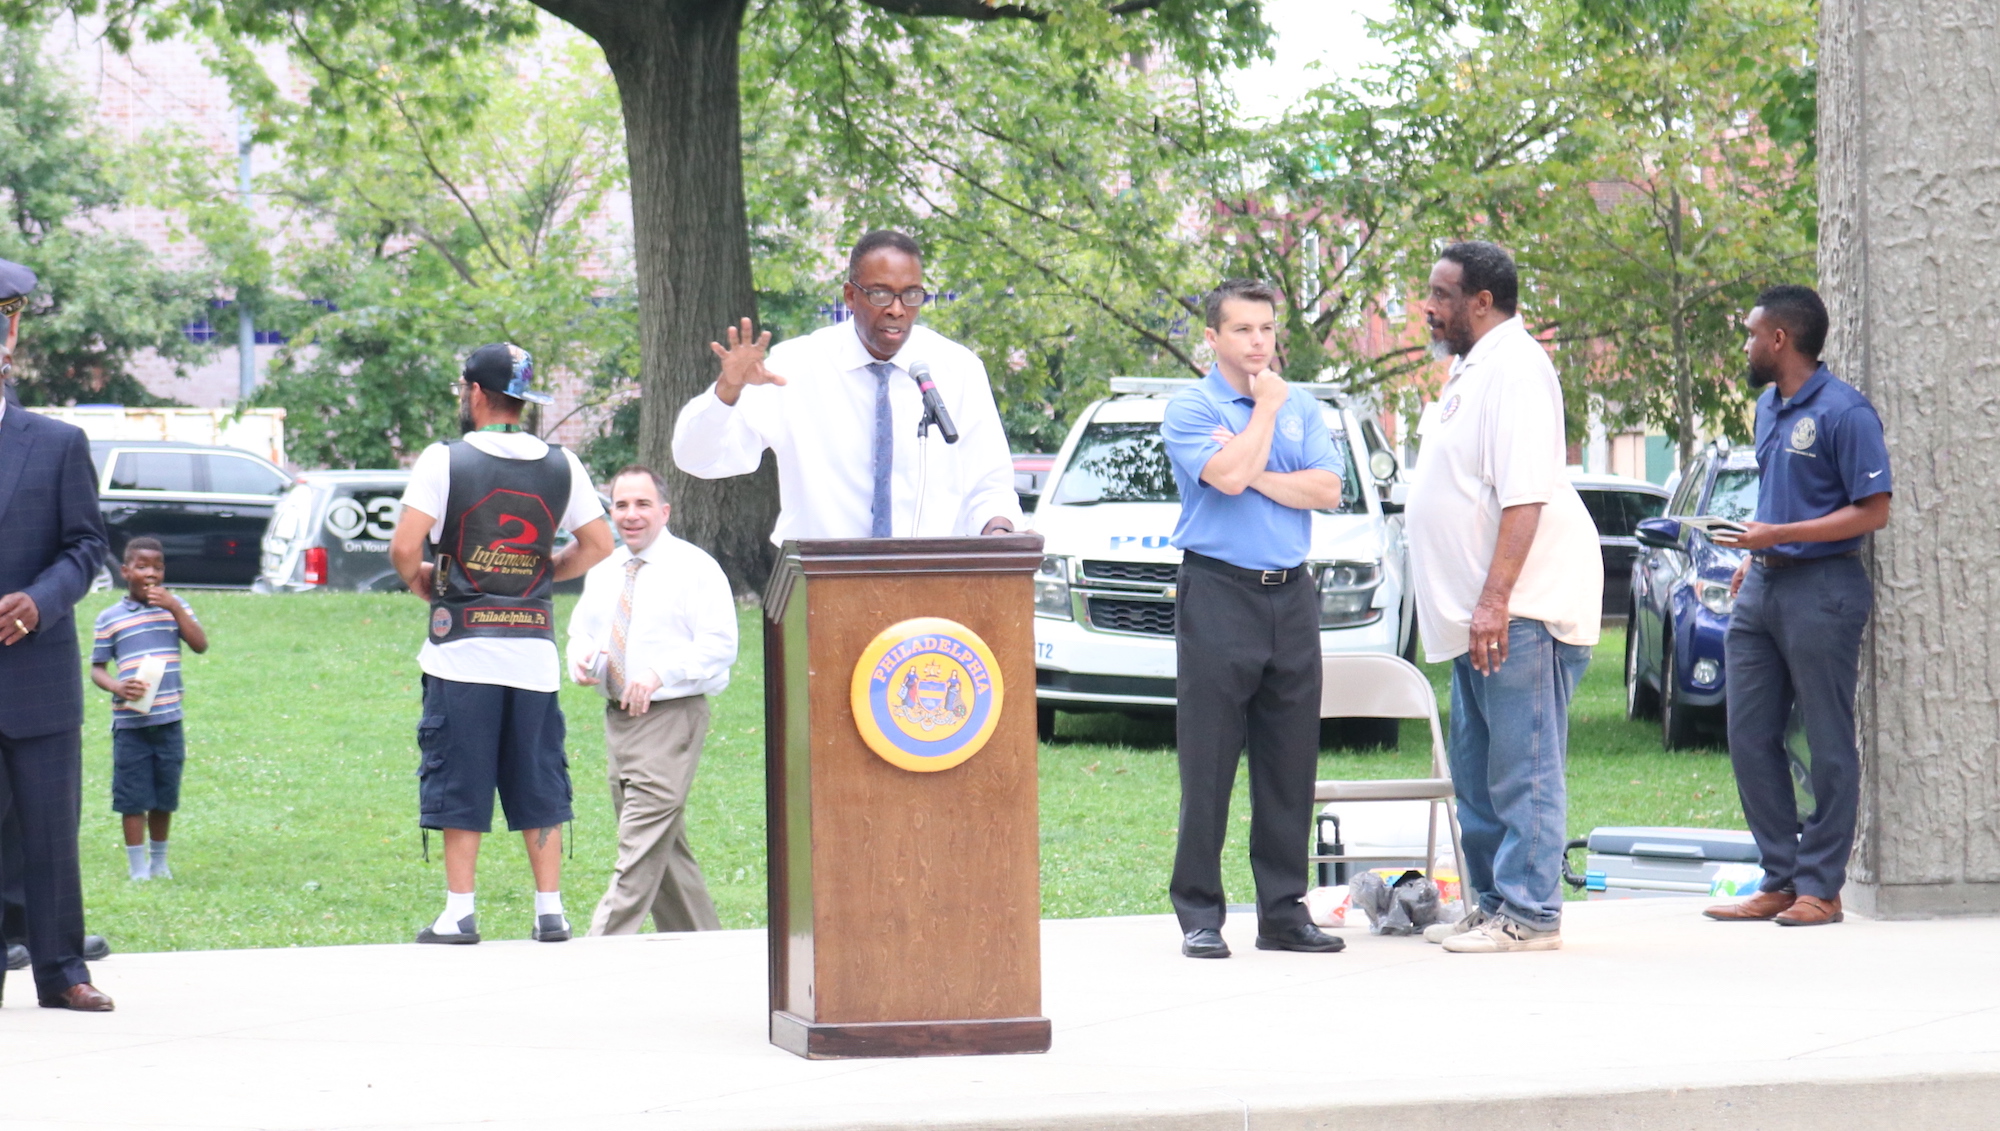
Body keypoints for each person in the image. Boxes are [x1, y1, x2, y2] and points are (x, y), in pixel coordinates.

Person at [1406, 240, 1600, 955]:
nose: (1427, 306)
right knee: (1479, 773)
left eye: (1441, 294)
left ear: (1482, 302)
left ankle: (1532, 913)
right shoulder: (1472, 369)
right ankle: (1493, 903)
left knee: (1524, 767)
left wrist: (1494, 601)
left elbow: (1525, 497)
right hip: (1477, 617)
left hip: (1518, 611)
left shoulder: (1516, 368)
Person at [388, 342, 614, 945]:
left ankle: (459, 912)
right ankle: (551, 911)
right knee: (538, 777)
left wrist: (429, 589)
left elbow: (406, 548)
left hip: (461, 648)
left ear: (477, 393)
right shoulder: (564, 464)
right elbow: (597, 546)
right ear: (521, 397)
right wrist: (543, 576)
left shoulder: (444, 460)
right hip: (534, 650)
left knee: (460, 776)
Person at [1158, 278, 1348, 960]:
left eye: (1266, 328)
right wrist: (1264, 416)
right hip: (1218, 590)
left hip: (1291, 594)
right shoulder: (1190, 407)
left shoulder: (1302, 405)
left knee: (1288, 760)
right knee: (1209, 758)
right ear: (1211, 338)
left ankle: (1282, 910)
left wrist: (1257, 463)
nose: (1258, 341)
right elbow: (1226, 479)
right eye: (1242, 329)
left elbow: (1327, 487)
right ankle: (1201, 913)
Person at [1704, 285, 1891, 928]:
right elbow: (1780, 496)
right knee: (1749, 733)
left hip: (1824, 589)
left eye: (1753, 334)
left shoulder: (1846, 412)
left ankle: (1823, 887)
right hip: (1762, 588)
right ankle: (1780, 878)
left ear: (1780, 340)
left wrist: (1777, 537)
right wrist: (1754, 555)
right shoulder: (1766, 407)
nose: (1748, 344)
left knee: (1826, 736)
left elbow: (1874, 510)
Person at [672, 229, 1021, 543]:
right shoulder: (795, 367)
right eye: (881, 295)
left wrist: (1001, 532)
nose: (898, 310)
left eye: (911, 295)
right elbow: (698, 459)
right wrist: (727, 390)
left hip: (931, 585)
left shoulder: (956, 369)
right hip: (821, 585)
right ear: (851, 296)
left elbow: (989, 487)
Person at [0, 256, 115, 1010]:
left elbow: (86, 548)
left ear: (9, 338)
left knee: (48, 828)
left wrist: (40, 601)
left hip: (36, 672)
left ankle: (62, 970)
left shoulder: (56, 442)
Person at [566, 465, 737, 936]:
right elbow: (581, 631)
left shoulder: (694, 568)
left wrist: (660, 672)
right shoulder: (606, 572)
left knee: (638, 850)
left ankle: (594, 954)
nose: (631, 515)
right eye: (621, 505)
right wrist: (580, 657)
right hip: (619, 721)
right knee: (664, 850)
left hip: (671, 719)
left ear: (664, 511)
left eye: (642, 504)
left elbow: (721, 645)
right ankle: (706, 951)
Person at [90, 537, 208, 882]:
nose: (151, 574)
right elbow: (97, 667)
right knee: (132, 797)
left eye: (157, 567)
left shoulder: (175, 608)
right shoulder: (110, 618)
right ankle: (137, 867)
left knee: (164, 795)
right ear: (126, 571)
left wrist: (174, 607)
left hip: (169, 720)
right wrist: (116, 686)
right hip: (130, 724)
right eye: (142, 567)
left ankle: (159, 862)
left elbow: (200, 644)